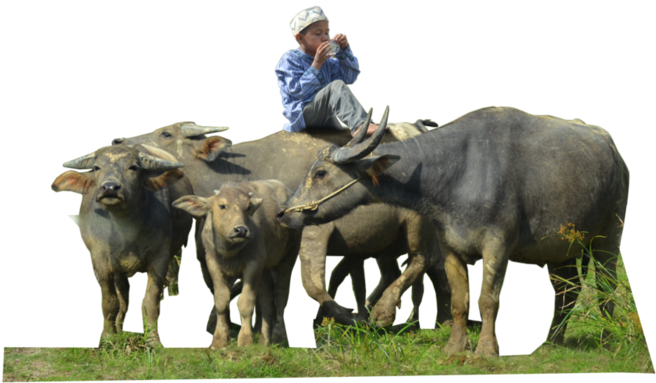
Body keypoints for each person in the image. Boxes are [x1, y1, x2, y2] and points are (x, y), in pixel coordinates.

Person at [274, 5, 385, 136]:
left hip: (325, 117)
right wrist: (316, 64)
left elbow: (349, 79)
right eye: (318, 33)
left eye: (327, 32)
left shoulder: (328, 61)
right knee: (335, 87)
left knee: (340, 130)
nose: (325, 38)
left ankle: (361, 124)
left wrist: (343, 53)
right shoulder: (290, 59)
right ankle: (359, 124)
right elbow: (297, 92)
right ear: (300, 38)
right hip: (302, 115)